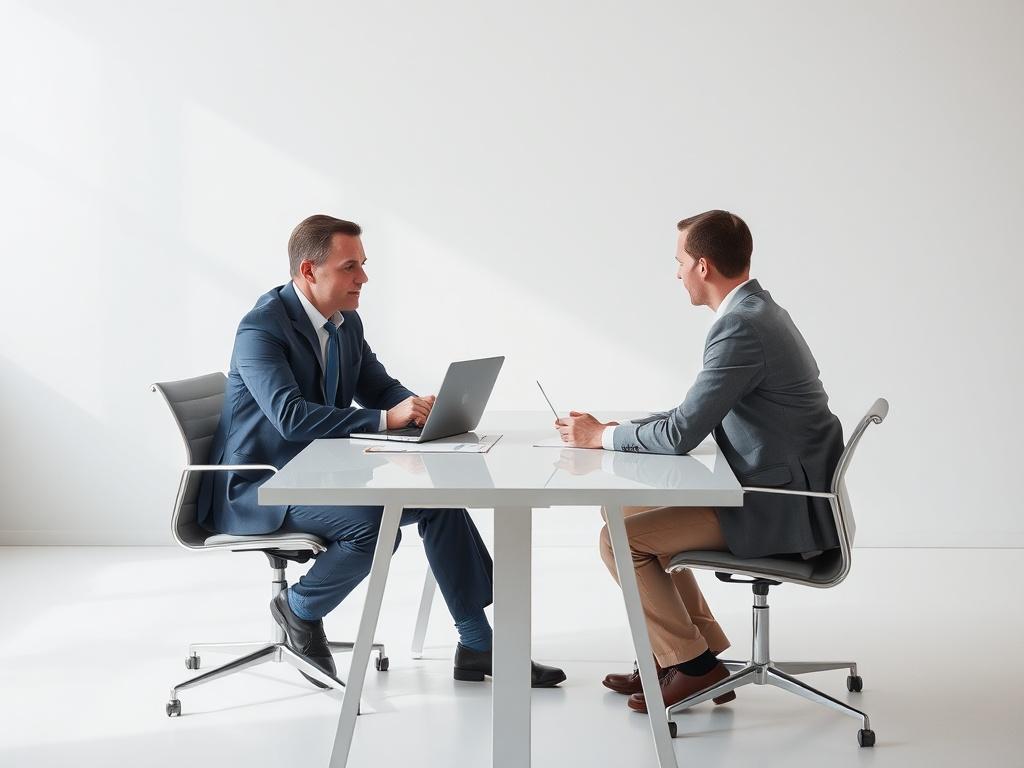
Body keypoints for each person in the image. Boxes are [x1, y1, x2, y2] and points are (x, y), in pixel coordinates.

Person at [199, 214, 564, 688]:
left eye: (363, 265)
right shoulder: (261, 329)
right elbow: (290, 416)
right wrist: (386, 419)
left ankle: (477, 644)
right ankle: (298, 608)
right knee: (371, 526)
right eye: (351, 267)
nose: (363, 279)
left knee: (440, 503)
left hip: (320, 474)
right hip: (264, 484)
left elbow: (377, 387)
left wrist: (420, 411)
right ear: (310, 271)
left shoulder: (344, 322)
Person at [555, 209, 843, 713]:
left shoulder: (741, 327)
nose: (676, 272)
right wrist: (617, 431)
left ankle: (692, 667)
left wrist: (603, 437)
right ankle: (690, 654)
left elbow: (683, 433)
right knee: (623, 513)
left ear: (703, 266)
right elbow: (694, 411)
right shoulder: (755, 311)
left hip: (777, 504)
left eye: (679, 260)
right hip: (777, 487)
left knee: (618, 540)